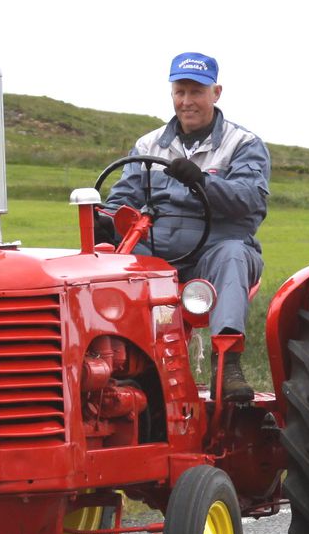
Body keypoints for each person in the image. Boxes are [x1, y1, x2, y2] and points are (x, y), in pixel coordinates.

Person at [98, 51, 270, 402]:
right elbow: (123, 199)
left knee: (233, 254)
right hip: (158, 252)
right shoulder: (149, 145)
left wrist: (205, 183)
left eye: (196, 92)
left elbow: (250, 201)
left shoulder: (242, 144)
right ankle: (115, 367)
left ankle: (228, 363)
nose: (187, 101)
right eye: (180, 92)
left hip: (215, 249)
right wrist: (104, 220)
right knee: (105, 261)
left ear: (216, 93)